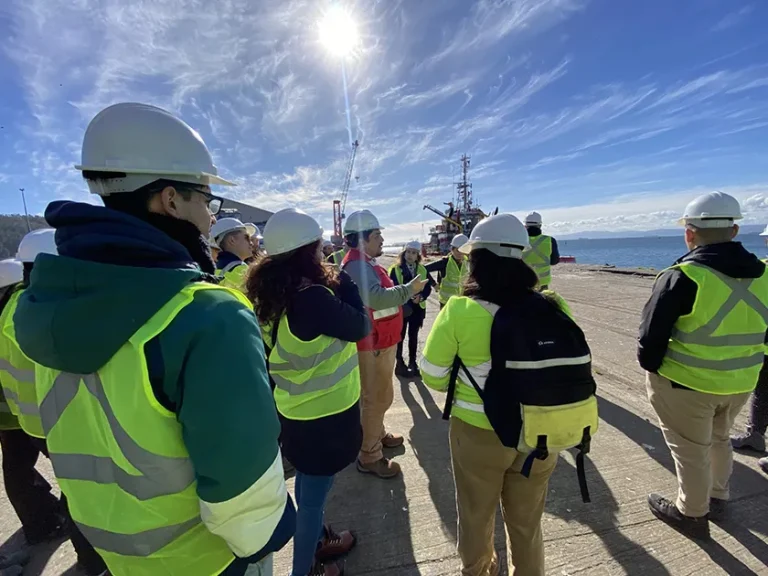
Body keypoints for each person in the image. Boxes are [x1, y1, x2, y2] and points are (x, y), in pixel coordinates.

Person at [14, 102, 295, 576]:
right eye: (207, 201)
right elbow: (245, 505)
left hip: (118, 555)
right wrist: (274, 532)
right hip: (205, 560)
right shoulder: (208, 314)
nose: (210, 217)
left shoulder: (50, 305)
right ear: (170, 200)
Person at [420, 214, 573, 576]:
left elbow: (433, 375)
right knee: (527, 523)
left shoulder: (459, 309)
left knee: (475, 517)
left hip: (478, 432)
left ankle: (480, 571)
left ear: (477, 260)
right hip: (540, 432)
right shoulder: (552, 304)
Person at [638, 191, 768, 540]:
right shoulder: (766, 275)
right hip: (740, 382)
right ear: (736, 230)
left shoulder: (681, 277)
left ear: (689, 233)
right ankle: (719, 497)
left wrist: (654, 372)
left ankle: (692, 514)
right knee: (720, 439)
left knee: (690, 450)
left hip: (685, 385)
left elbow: (649, 343)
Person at [248, 208, 368, 576]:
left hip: (296, 416)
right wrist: (345, 280)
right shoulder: (313, 297)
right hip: (326, 420)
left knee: (308, 491)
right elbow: (360, 325)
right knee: (313, 500)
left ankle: (317, 542)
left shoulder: (274, 293)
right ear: (309, 250)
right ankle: (305, 570)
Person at [341, 210, 427, 478]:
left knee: (379, 397)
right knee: (375, 398)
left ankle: (377, 434)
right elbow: (377, 299)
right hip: (373, 344)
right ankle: (370, 455)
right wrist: (409, 290)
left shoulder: (365, 263)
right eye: (377, 235)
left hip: (380, 341)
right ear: (362, 239)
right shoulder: (357, 265)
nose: (382, 239)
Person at [0, 256, 67, 549]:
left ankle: (40, 522)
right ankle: (61, 525)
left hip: (11, 410)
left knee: (16, 467)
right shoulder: (19, 308)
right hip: (32, 410)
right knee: (76, 475)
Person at [730, 223, 768, 475]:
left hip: (761, 344)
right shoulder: (761, 267)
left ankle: (755, 435)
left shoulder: (760, 269)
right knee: (762, 390)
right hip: (763, 346)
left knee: (763, 390)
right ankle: (754, 435)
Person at [388, 241, 431, 377]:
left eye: (413, 253)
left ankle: (413, 363)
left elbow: (428, 287)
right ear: (404, 253)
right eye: (408, 252)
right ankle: (399, 363)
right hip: (402, 308)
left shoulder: (423, 270)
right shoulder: (395, 269)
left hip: (417, 309)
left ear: (418, 255)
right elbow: (392, 287)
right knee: (399, 336)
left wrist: (421, 297)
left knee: (414, 336)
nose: (410, 255)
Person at [211, 217, 257, 290]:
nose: (251, 243)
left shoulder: (211, 270)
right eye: (247, 238)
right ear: (232, 240)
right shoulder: (241, 271)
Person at [425, 234, 468, 309]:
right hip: (447, 303)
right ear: (452, 249)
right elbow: (424, 269)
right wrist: (434, 284)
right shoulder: (444, 262)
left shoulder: (468, 262)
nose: (460, 253)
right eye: (457, 250)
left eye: (463, 250)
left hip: (463, 302)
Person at [522, 211, 560, 290]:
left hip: (523, 281)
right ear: (540, 225)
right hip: (542, 282)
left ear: (525, 226)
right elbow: (554, 261)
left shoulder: (519, 240)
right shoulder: (550, 240)